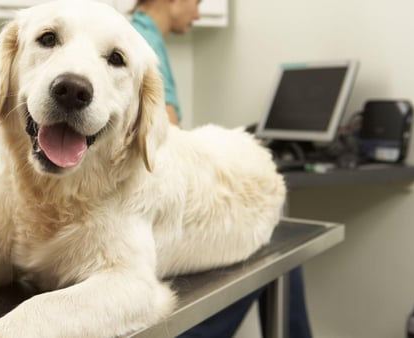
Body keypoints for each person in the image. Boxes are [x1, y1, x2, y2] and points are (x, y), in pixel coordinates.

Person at [130, 1, 312, 337]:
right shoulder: (142, 44)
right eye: (196, 3)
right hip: (145, 214)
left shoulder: (138, 35)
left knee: (279, 250)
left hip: (145, 207)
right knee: (278, 252)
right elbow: (166, 142)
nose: (197, 14)